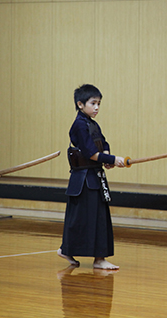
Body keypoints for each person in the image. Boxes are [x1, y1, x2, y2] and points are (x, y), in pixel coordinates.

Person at [57, 84, 126, 270]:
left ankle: (98, 258)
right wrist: (113, 159)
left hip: (95, 177)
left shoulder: (92, 124)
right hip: (83, 180)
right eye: (93, 103)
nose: (96, 107)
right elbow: (90, 153)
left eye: (99, 104)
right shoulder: (79, 125)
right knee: (80, 218)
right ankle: (68, 250)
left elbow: (103, 144)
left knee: (99, 218)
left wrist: (108, 157)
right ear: (80, 104)